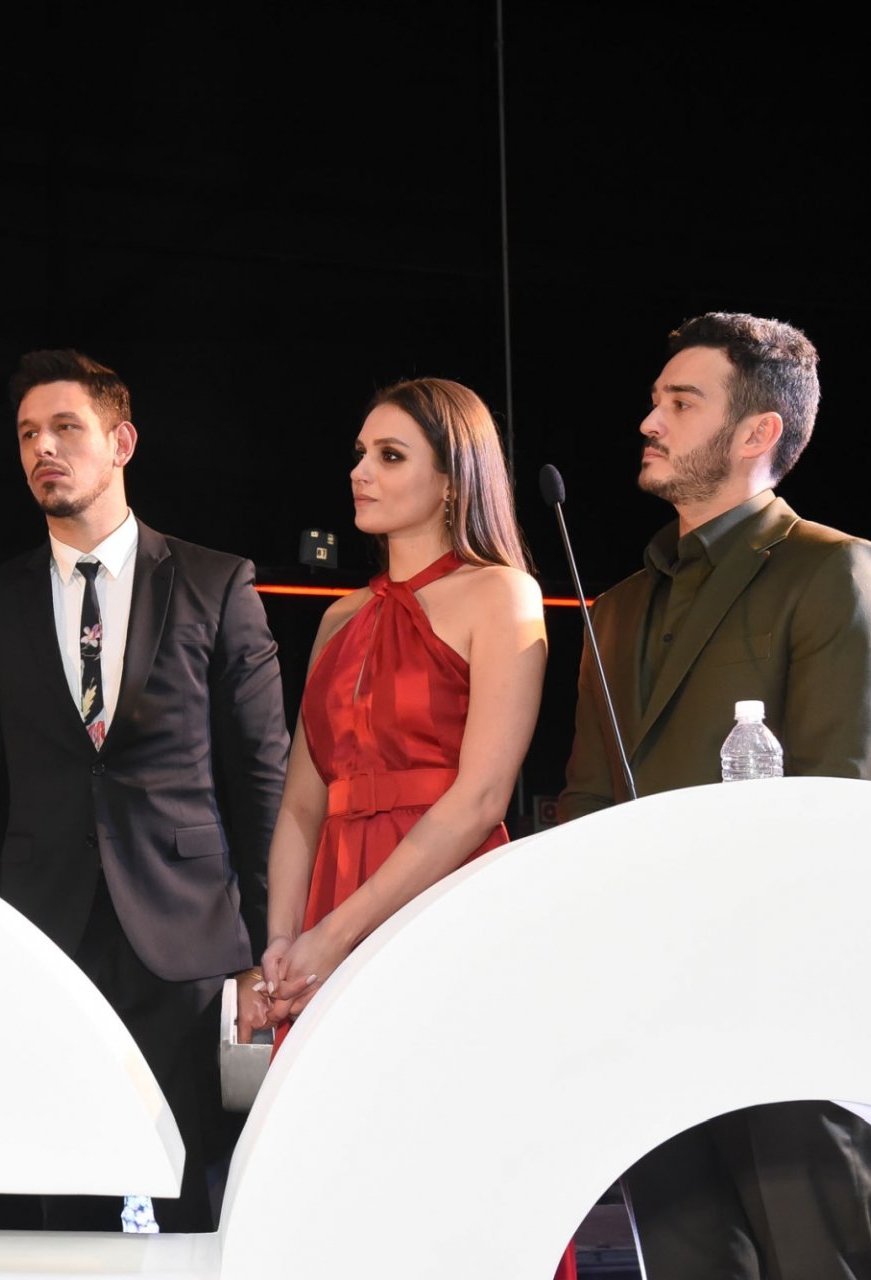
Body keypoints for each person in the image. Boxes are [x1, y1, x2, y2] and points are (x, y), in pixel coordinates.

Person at [558, 312, 871, 1279]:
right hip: (645, 997)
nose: (650, 421)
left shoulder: (833, 568)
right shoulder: (616, 606)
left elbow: (840, 796)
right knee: (684, 1263)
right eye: (655, 400)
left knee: (820, 1262)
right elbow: (586, 800)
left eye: (682, 402)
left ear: (758, 432)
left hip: (782, 989)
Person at [0, 349, 289, 1233]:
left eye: (65, 428)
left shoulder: (215, 581)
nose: (42, 449)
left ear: (122, 442)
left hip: (190, 935)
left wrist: (264, 944)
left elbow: (262, 776)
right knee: (68, 1199)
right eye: (27, 435)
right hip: (46, 935)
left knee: (204, 1200)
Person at [256, 377, 568, 1277]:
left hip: (445, 902)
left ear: (453, 479)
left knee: (454, 1164)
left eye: (390, 456)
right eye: (360, 453)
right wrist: (282, 945)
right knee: (343, 1180)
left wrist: (332, 937)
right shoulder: (337, 619)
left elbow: (481, 797)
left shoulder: (501, 594)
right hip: (329, 899)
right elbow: (301, 802)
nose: (360, 471)